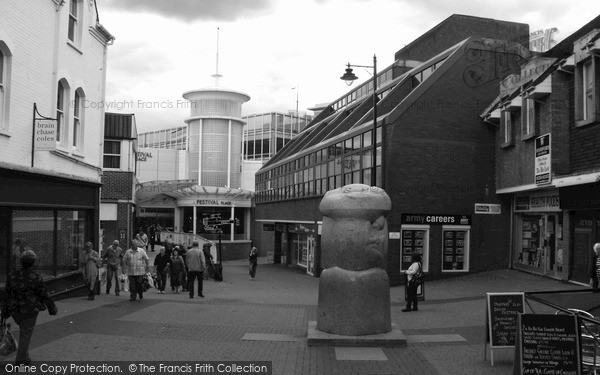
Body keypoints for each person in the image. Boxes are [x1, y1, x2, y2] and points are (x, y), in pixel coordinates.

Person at [1, 250, 57, 365]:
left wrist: (4, 312)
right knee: (25, 335)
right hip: (30, 311)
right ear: (33, 263)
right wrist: (52, 309)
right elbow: (44, 294)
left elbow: (6, 294)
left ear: (21, 262)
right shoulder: (35, 277)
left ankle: (25, 357)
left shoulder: (12, 275)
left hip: (15, 311)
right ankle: (21, 362)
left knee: (24, 332)